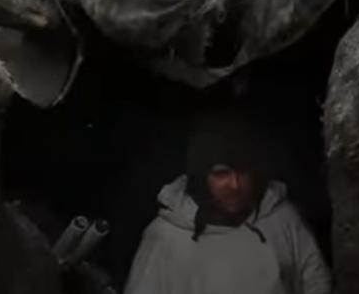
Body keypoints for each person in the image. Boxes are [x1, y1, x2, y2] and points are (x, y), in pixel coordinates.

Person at [124, 110, 332, 294]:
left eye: (243, 172)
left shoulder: (282, 221)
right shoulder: (165, 238)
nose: (235, 185)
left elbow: (317, 285)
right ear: (201, 177)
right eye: (221, 173)